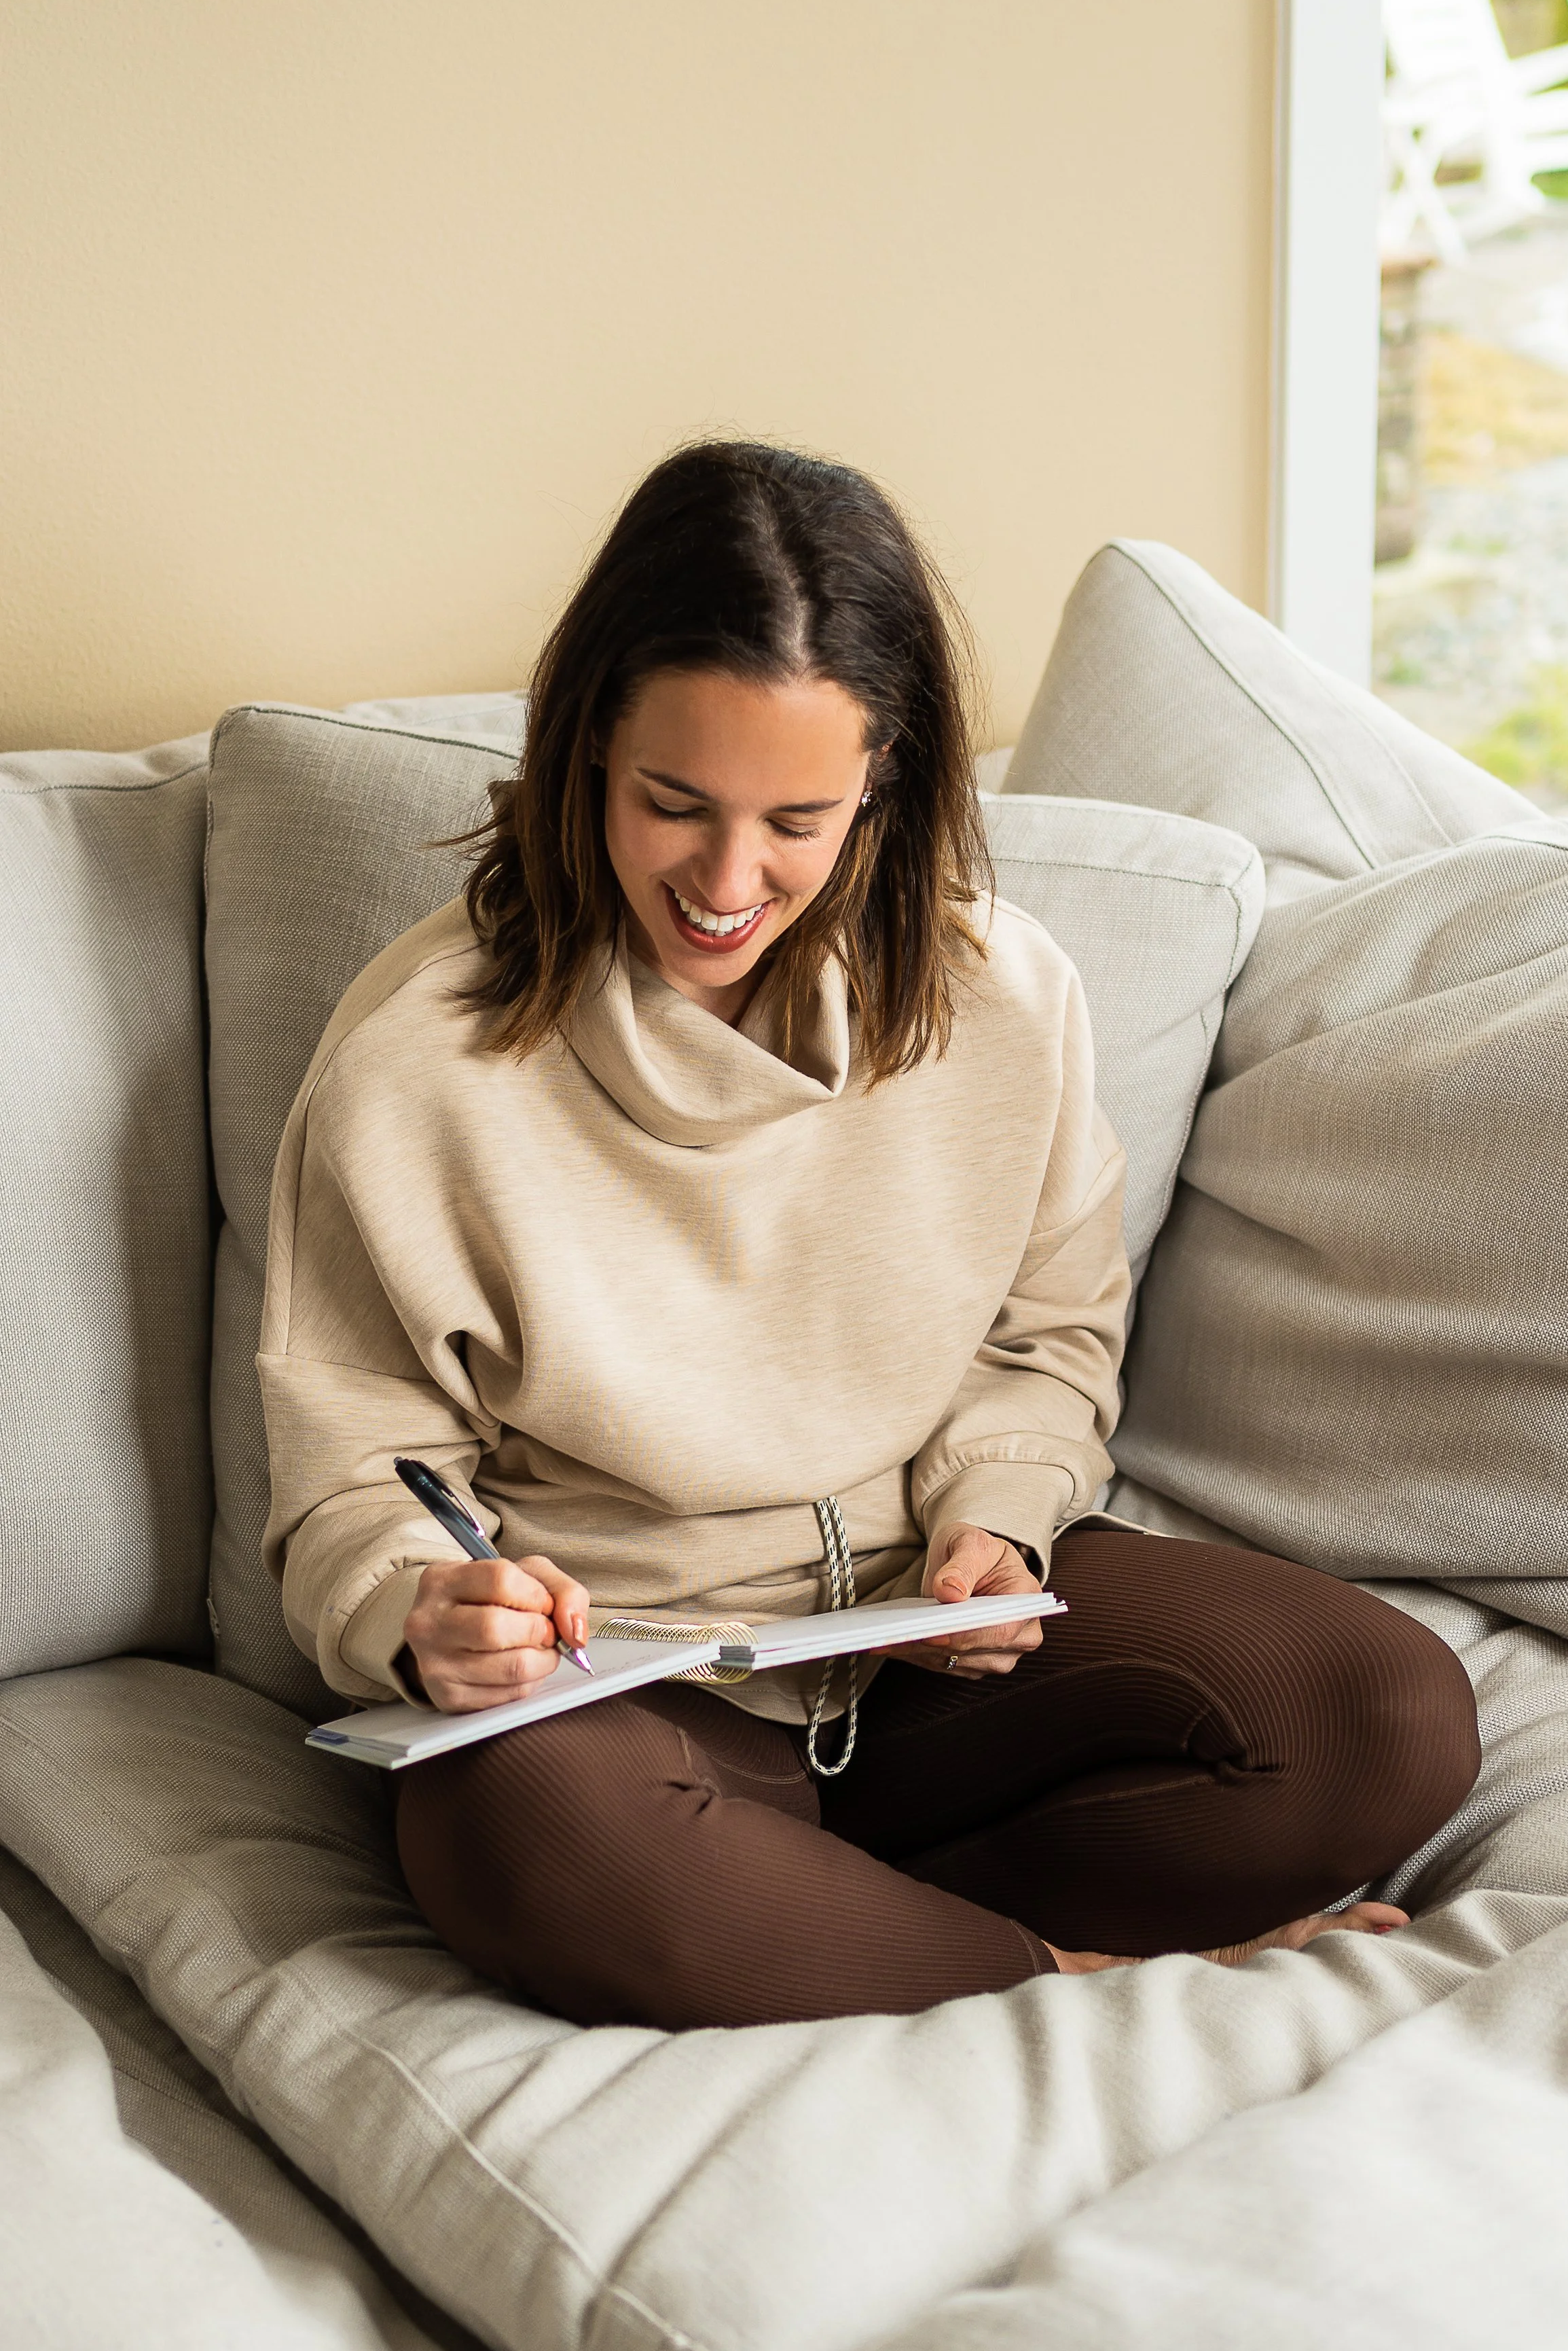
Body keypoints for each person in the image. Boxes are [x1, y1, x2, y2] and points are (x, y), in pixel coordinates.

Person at [260, 441, 1480, 2029]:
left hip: (921, 1664)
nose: (724, 880)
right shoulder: (415, 1061)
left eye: (798, 820)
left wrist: (997, 1520)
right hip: (621, 1707)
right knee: (522, 1830)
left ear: (884, 783)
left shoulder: (1003, 994)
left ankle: (832, 1930)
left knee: (1379, 1715)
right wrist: (428, 1614)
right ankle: (1054, 1975)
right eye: (671, 803)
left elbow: (1045, 1339)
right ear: (581, 759)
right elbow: (356, 1477)